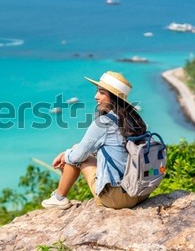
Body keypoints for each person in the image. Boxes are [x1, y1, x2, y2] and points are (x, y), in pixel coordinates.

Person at [41, 71, 149, 210]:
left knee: (76, 153)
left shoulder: (104, 123)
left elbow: (77, 156)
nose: (96, 96)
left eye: (102, 93)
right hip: (141, 192)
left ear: (114, 97)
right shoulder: (134, 119)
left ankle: (59, 197)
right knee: (77, 148)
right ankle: (58, 197)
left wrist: (65, 154)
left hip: (118, 198)